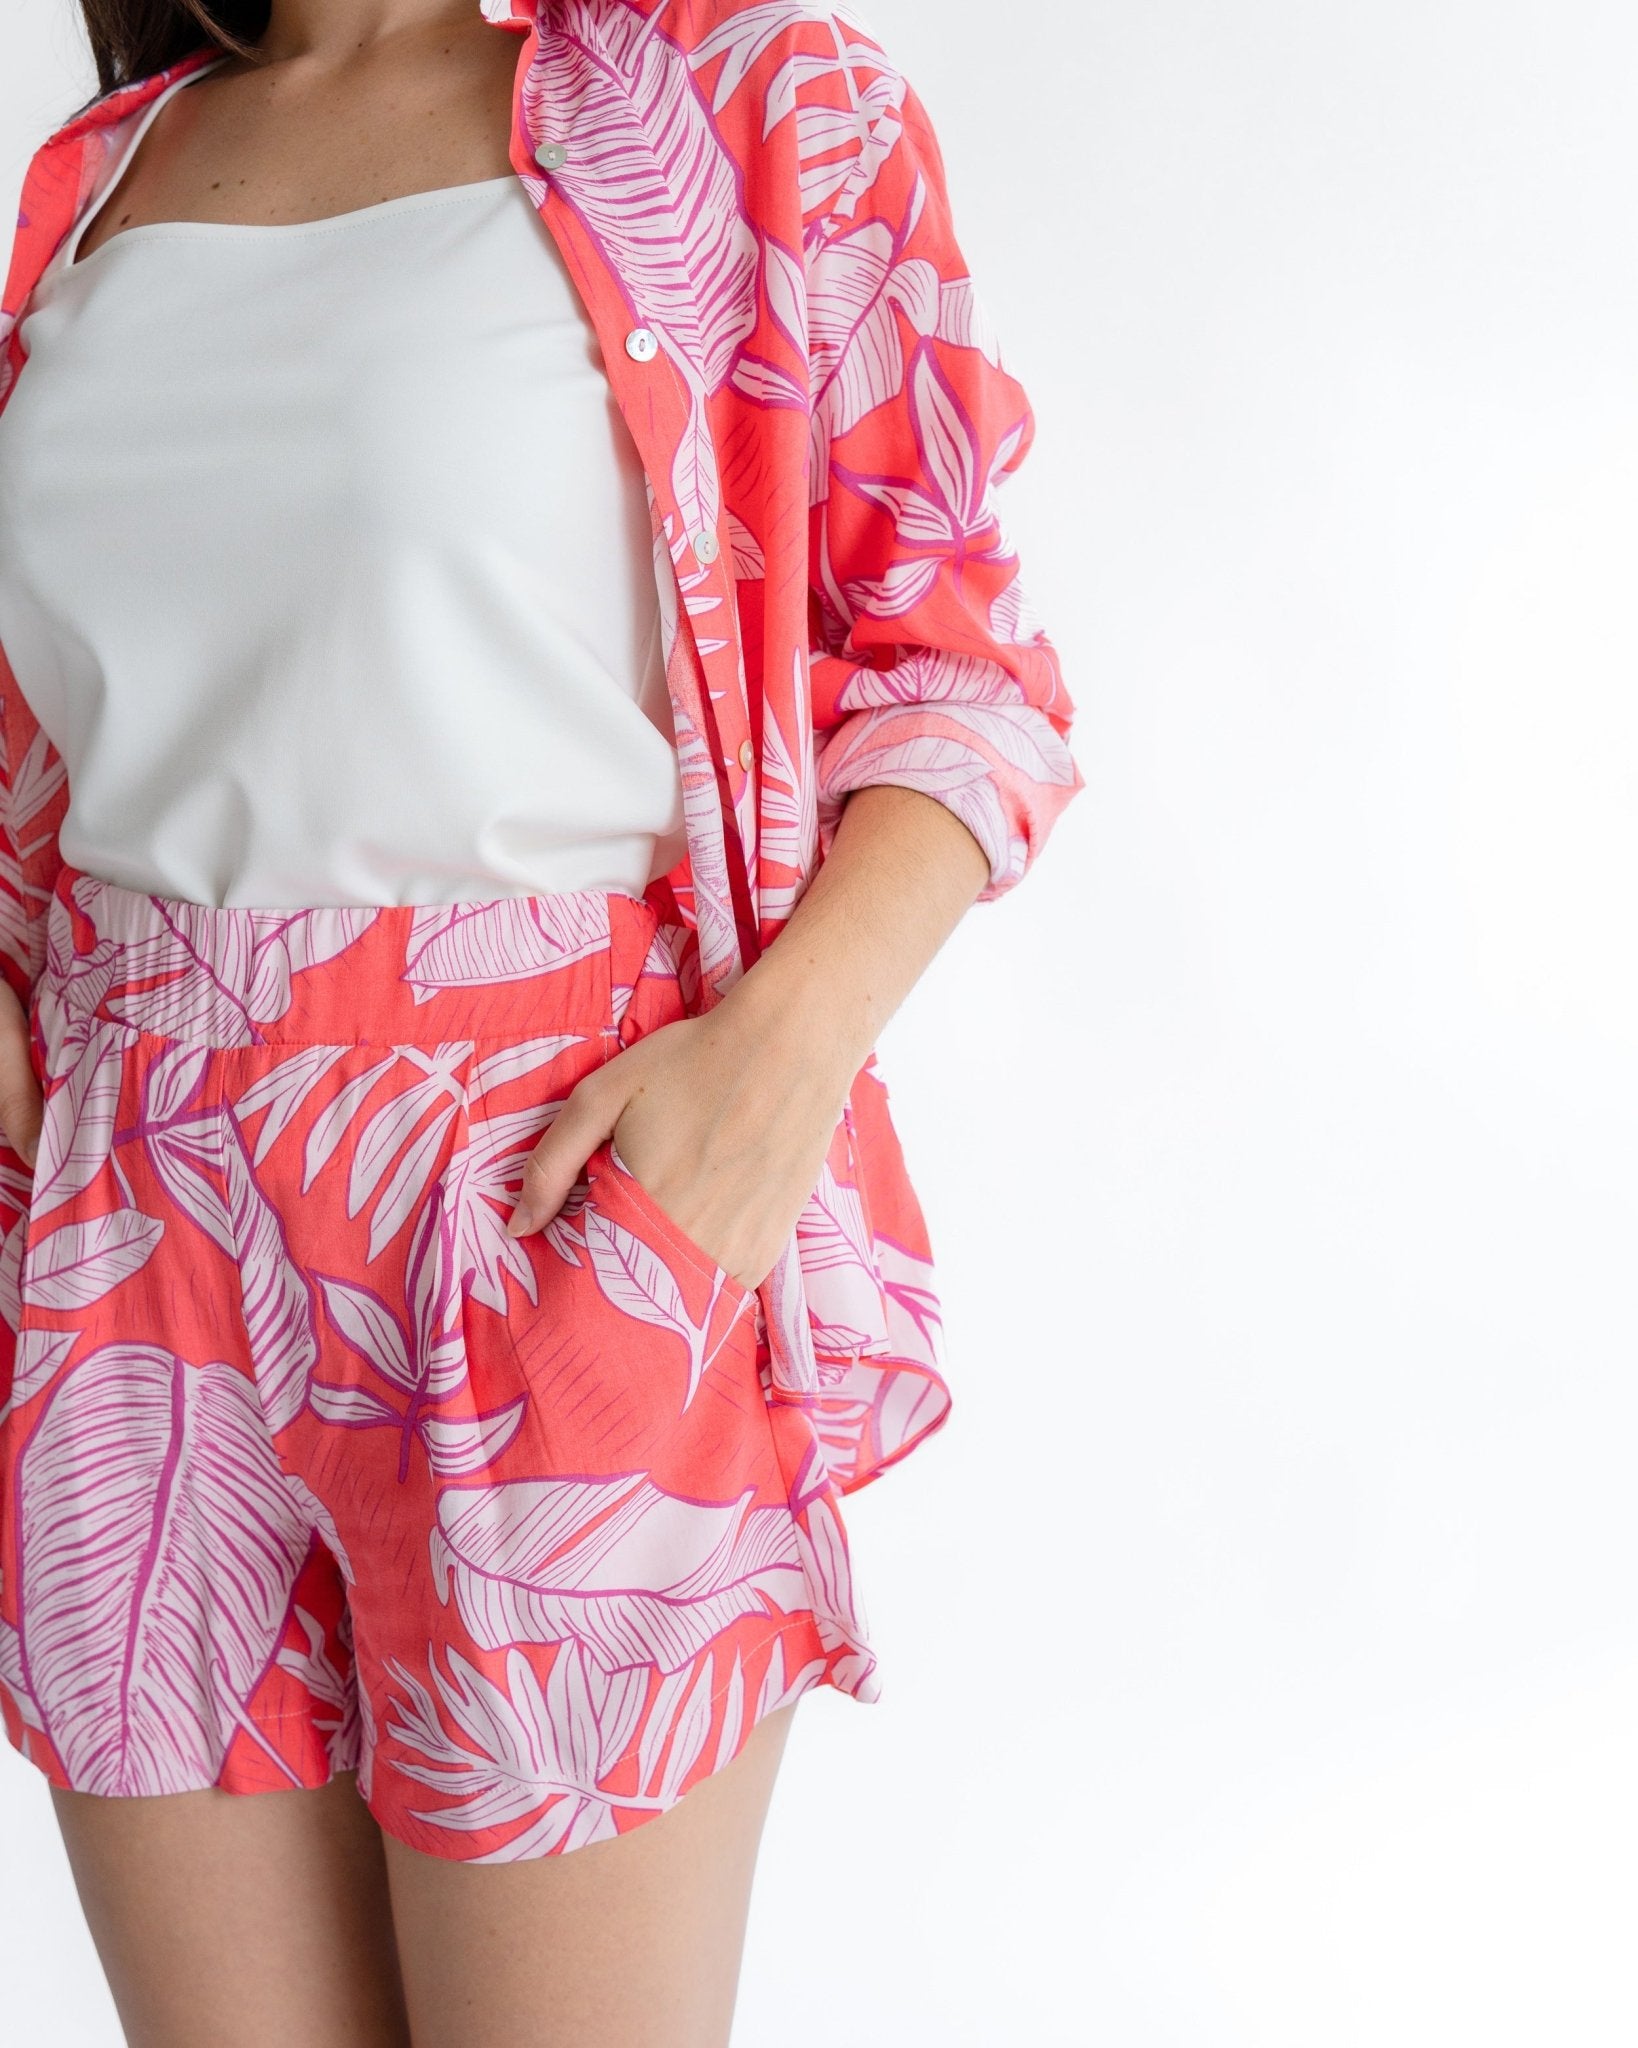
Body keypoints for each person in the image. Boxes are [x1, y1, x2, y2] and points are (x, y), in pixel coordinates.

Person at [0, 0, 1083, 2040]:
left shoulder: (742, 104)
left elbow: (960, 666)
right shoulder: (106, 171)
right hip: (132, 1263)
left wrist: (769, 1077)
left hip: (547, 1201)